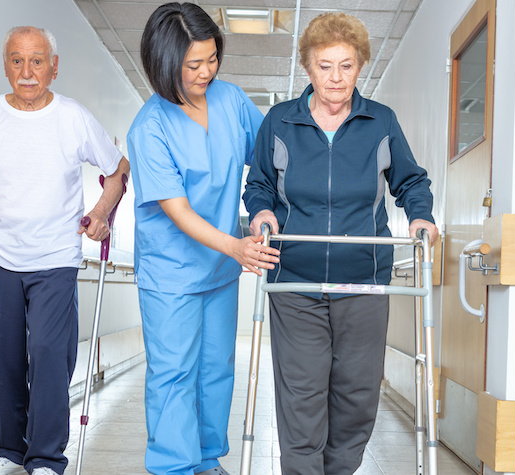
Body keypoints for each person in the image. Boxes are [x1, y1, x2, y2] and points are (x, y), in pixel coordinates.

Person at [243, 11, 439, 475]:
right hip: (294, 281)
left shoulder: (380, 122)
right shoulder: (280, 122)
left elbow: (411, 182)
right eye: (325, 65)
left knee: (355, 396)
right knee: (302, 396)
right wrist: (262, 212)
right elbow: (259, 185)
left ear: (360, 67)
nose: (336, 76)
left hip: (364, 282)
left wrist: (420, 217)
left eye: (346, 65)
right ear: (308, 69)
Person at [0, 26, 129, 475]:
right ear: (6, 66)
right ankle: (9, 449)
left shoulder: (72, 117)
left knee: (51, 354)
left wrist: (103, 209)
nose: (27, 72)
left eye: (36, 61)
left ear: (54, 66)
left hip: (55, 260)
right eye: (16, 60)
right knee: (6, 357)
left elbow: (117, 168)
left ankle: (47, 458)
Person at [126, 3, 279, 475]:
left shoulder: (232, 101)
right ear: (164, 62)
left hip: (219, 270)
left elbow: (270, 156)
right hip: (170, 271)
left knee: (216, 370)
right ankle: (173, 466)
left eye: (212, 58)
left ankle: (207, 459)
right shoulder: (149, 128)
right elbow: (178, 210)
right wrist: (236, 245)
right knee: (174, 373)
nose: (206, 71)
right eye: (193, 64)